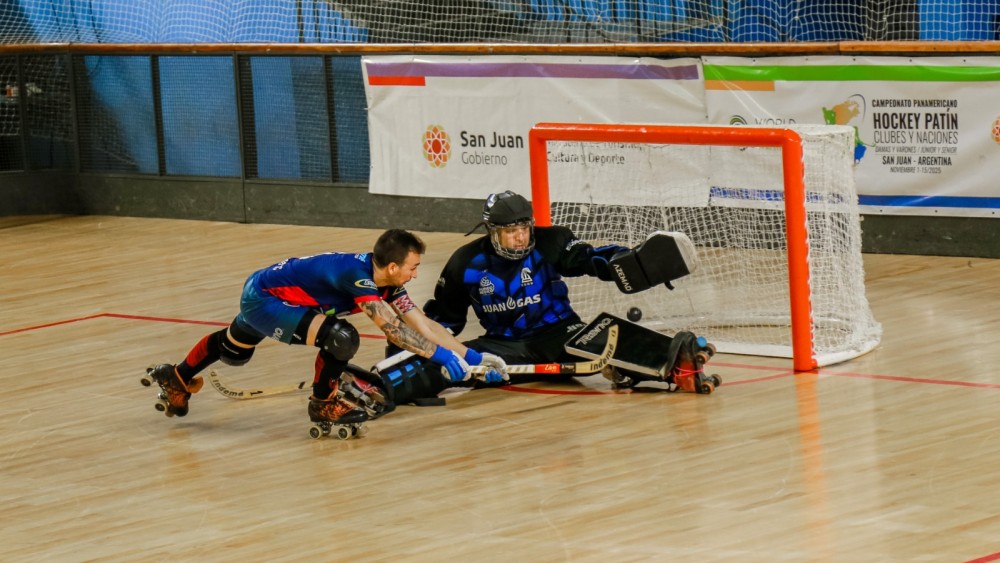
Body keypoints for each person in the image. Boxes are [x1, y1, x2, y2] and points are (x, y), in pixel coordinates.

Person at [144, 228, 506, 427]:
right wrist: (440, 357)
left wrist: (472, 356)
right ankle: (323, 404)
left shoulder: (389, 281)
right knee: (341, 338)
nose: (415, 274)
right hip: (265, 298)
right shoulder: (358, 277)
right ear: (393, 267)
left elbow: (422, 323)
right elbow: (393, 330)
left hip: (277, 293)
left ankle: (176, 377)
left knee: (233, 351)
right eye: (413, 267)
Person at [413, 190, 712, 392]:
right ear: (492, 231)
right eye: (510, 231)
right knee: (438, 365)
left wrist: (631, 262)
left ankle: (677, 365)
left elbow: (588, 259)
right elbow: (444, 320)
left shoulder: (550, 241)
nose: (520, 237)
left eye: (524, 228)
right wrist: (419, 347)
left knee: (605, 340)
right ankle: (391, 388)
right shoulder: (464, 262)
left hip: (561, 335)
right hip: (504, 345)